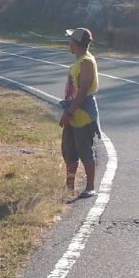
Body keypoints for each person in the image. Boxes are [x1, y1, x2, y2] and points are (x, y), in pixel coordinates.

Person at [60, 27, 101, 199]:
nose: (68, 43)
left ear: (76, 43)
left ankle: (90, 186)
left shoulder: (86, 61)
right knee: (69, 150)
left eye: (70, 40)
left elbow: (83, 90)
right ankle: (69, 187)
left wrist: (69, 113)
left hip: (82, 113)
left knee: (84, 150)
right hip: (73, 110)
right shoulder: (78, 61)